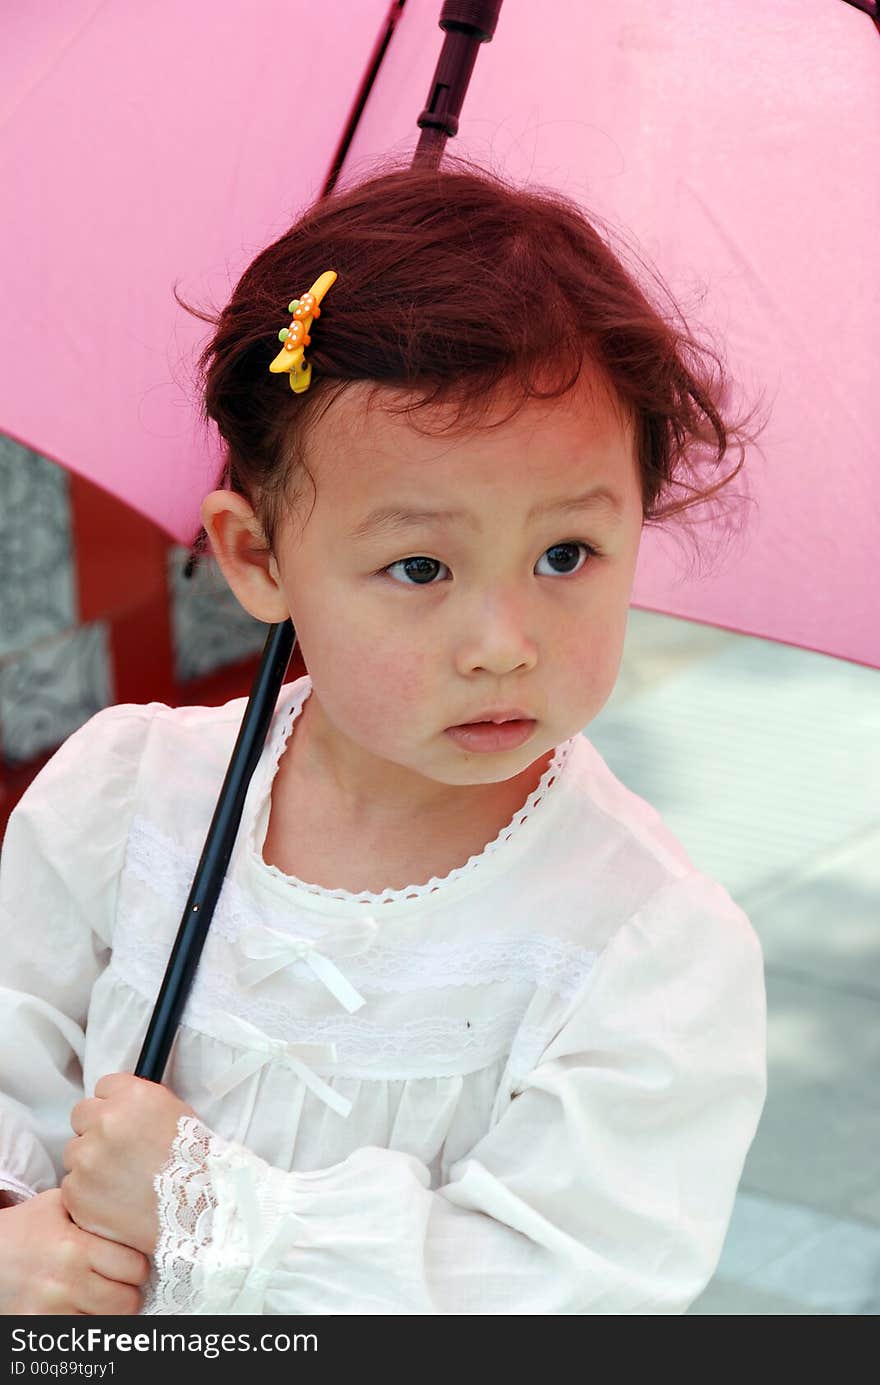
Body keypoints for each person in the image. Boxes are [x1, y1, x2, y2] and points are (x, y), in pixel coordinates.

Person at [0, 157, 769, 1315]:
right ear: (257, 556)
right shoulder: (124, 802)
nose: (503, 641)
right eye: (419, 566)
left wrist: (216, 1210)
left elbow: (566, 1285)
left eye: (566, 553)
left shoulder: (642, 947)